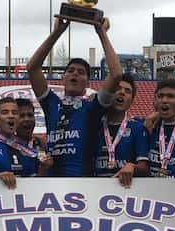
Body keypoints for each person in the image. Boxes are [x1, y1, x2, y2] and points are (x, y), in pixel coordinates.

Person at [26, 17, 122, 177]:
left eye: (81, 72)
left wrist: (102, 33)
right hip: (51, 183)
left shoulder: (92, 107)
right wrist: (56, 33)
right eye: (70, 71)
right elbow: (32, 68)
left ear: (87, 82)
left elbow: (117, 74)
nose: (75, 74)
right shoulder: (51, 103)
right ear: (63, 78)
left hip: (82, 183)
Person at [92, 73, 149, 187]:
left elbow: (144, 167)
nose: (122, 92)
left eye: (127, 91)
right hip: (94, 188)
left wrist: (132, 167)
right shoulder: (93, 124)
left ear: (132, 101)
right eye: (117, 88)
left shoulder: (137, 128)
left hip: (125, 190)